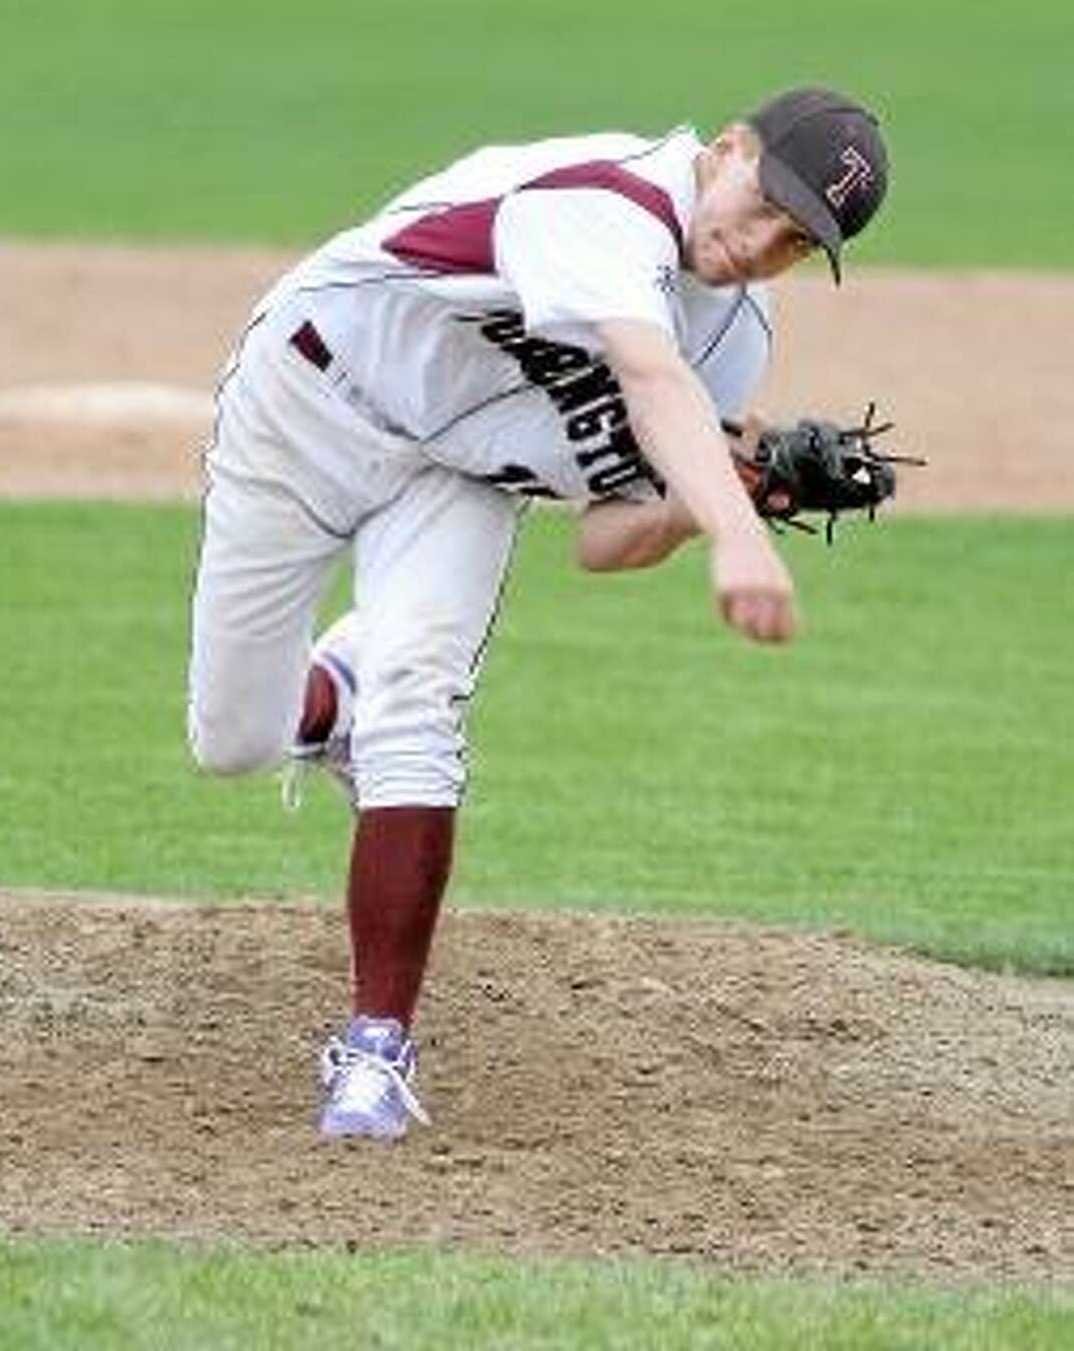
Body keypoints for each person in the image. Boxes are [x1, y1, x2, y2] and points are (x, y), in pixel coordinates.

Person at [186, 85, 889, 1140]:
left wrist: (727, 497)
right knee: (232, 741)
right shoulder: (605, 201)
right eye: (764, 202)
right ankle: (334, 699)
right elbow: (646, 374)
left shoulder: (735, 341)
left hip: (460, 480)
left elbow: (606, 540)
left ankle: (376, 1049)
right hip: (310, 404)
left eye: (796, 241)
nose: (759, 244)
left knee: (422, 707)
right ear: (729, 148)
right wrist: (740, 541)